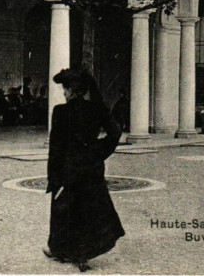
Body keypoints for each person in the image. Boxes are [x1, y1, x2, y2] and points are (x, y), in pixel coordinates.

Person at [44, 68, 125, 272]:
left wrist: (53, 177)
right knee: (88, 210)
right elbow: (115, 132)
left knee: (63, 209)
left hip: (68, 168)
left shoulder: (60, 112)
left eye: (65, 89)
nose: (63, 92)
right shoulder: (96, 109)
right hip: (91, 168)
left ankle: (60, 250)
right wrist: (98, 151)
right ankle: (82, 255)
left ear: (72, 90)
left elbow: (55, 148)